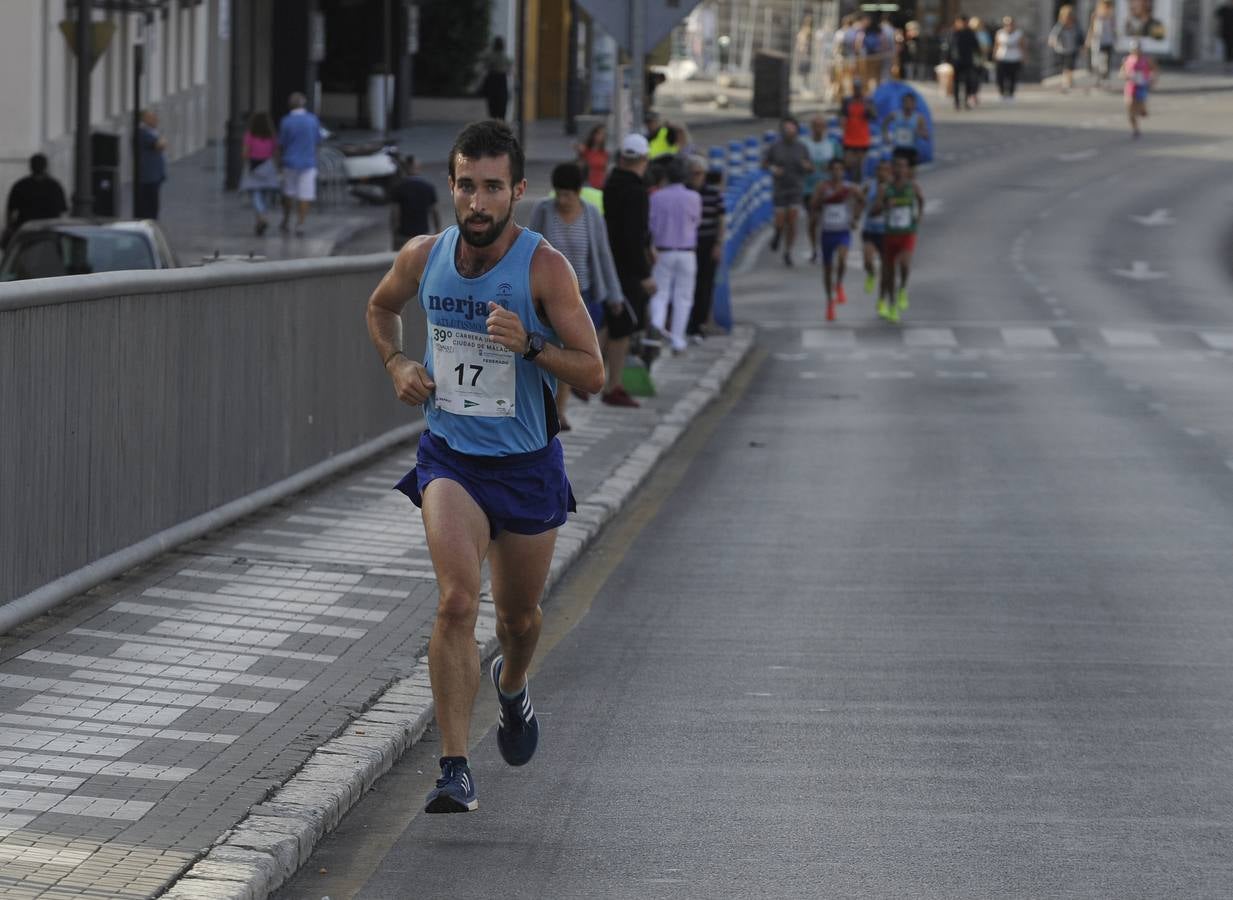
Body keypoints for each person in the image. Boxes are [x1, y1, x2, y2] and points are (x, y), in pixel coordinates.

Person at [365, 120, 604, 815]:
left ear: (517, 192)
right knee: (455, 602)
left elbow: (590, 371)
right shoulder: (423, 254)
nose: (477, 201)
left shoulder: (542, 268)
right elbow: (380, 307)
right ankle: (453, 766)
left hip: (526, 465)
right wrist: (397, 362)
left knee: (519, 620)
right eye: (466, 185)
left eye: (492, 188)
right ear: (452, 186)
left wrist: (530, 342)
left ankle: (512, 687)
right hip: (450, 458)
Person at [529, 162, 624, 429]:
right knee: (548, 353)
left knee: (572, 353)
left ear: (578, 192)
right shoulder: (544, 211)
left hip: (581, 295)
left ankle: (560, 413)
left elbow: (603, 255)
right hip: (546, 298)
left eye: (568, 194)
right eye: (558, 193)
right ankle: (549, 410)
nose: (562, 199)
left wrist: (614, 295)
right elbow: (529, 248)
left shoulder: (592, 215)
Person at [602, 134, 656, 407]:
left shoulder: (611, 184)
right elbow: (633, 236)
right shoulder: (636, 192)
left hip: (607, 263)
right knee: (621, 327)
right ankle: (613, 384)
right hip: (626, 269)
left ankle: (587, 378)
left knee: (607, 323)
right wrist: (645, 274)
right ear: (644, 160)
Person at [647, 156, 701, 354]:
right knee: (684, 297)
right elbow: (696, 221)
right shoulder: (694, 197)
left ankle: (656, 330)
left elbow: (650, 226)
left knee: (660, 294)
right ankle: (678, 340)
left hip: (662, 250)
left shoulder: (656, 197)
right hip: (687, 251)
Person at [810, 158, 863, 322]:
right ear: (829, 171)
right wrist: (821, 200)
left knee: (841, 260)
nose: (837, 172)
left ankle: (839, 284)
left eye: (840, 169)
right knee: (827, 270)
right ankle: (829, 302)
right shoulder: (822, 187)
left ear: (843, 171)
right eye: (834, 169)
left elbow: (862, 200)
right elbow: (813, 205)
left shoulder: (850, 188)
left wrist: (855, 217)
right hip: (827, 232)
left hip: (842, 231)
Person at [872, 154, 924, 322]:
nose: (900, 170)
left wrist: (919, 216)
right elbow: (874, 211)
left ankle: (903, 289)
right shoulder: (885, 188)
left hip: (907, 233)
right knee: (889, 273)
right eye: (897, 167)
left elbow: (921, 200)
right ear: (892, 169)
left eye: (904, 167)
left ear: (907, 169)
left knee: (904, 263)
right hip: (890, 235)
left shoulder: (913, 186)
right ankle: (893, 305)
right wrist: (886, 205)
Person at [763, 117, 812, 267]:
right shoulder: (775, 147)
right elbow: (765, 163)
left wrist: (806, 166)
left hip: (796, 188)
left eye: (792, 130)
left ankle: (788, 252)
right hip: (780, 188)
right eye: (787, 130)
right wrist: (773, 169)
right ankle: (777, 233)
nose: (790, 133)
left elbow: (811, 167)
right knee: (780, 219)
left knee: (792, 220)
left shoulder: (802, 147)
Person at [686, 156, 725, 341]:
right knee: (689, 285)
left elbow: (721, 219)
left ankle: (699, 324)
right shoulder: (685, 192)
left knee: (705, 285)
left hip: (708, 243)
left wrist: (718, 243)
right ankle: (689, 323)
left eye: (699, 173)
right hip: (689, 244)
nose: (696, 177)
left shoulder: (714, 193)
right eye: (693, 173)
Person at [277, 92, 323, 236]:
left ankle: (286, 219)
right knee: (305, 194)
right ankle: (300, 223)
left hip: (290, 161)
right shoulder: (312, 120)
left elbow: (281, 143)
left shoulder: (286, 121)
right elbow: (318, 139)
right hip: (308, 162)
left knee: (288, 192)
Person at [801, 114, 841, 263]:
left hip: (828, 188)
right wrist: (804, 165)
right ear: (811, 128)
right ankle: (814, 249)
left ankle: (830, 247)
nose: (818, 129)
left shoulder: (832, 144)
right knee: (813, 220)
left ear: (825, 128)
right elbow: (799, 161)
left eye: (821, 126)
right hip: (808, 189)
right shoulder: (804, 144)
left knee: (827, 220)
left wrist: (832, 171)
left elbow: (840, 164)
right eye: (815, 126)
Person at [3, 154, 67, 247]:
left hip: (27, 233)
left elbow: (10, 211)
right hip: (49, 233)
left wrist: (10, 228)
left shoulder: (20, 185)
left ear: (31, 166)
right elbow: (62, 212)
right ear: (45, 166)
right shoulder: (55, 186)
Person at [239, 111, 280, 236]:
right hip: (267, 166)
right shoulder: (272, 136)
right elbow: (276, 152)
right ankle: (261, 220)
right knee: (266, 196)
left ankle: (261, 218)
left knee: (255, 195)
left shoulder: (249, 135)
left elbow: (245, 153)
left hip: (254, 166)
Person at [388, 154, 441, 251]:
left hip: (403, 236)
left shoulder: (398, 188)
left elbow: (395, 214)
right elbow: (435, 212)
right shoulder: (428, 188)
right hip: (423, 236)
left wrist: (395, 233)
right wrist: (438, 231)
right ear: (417, 167)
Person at [860, 157, 892, 309]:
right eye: (879, 170)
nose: (882, 173)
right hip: (870, 230)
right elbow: (859, 200)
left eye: (885, 170)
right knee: (867, 260)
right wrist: (855, 214)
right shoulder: (869, 185)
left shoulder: (892, 188)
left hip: (886, 233)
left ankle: (881, 300)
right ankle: (871, 274)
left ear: (890, 172)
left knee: (886, 270)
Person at [840, 79, 875, 189]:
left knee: (860, 166)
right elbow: (842, 116)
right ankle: (850, 185)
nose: (857, 90)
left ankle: (858, 187)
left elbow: (874, 116)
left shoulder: (867, 101)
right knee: (848, 164)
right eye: (855, 88)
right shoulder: (847, 101)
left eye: (859, 88)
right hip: (849, 138)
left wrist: (869, 109)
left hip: (862, 139)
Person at [1120, 40, 1158, 138]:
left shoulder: (1146, 60)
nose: (1136, 51)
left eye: (1138, 49)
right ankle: (1135, 129)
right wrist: (1125, 76)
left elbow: (1154, 70)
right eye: (1134, 50)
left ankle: (1143, 110)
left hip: (1142, 86)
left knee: (1141, 111)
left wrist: (1152, 80)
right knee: (1130, 108)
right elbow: (1121, 73)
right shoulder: (1127, 59)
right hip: (1130, 86)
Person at [135, 108, 168, 219]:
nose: (155, 120)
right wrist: (161, 140)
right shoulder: (143, 132)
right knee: (149, 203)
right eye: (151, 117)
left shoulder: (151, 132)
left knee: (153, 203)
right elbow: (160, 144)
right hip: (148, 176)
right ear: (145, 119)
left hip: (154, 175)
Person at [883, 92, 929, 167]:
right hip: (899, 148)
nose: (908, 104)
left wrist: (920, 133)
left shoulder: (919, 118)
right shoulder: (895, 115)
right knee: (898, 172)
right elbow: (885, 123)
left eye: (910, 102)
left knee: (910, 175)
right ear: (902, 103)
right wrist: (886, 135)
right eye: (906, 102)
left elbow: (926, 135)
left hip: (911, 149)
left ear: (914, 104)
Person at [946, 16, 981, 110]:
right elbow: (949, 47)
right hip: (956, 61)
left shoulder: (970, 33)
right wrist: (947, 60)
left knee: (968, 82)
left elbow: (976, 47)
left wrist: (978, 58)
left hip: (967, 61)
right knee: (956, 82)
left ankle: (966, 101)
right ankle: (956, 102)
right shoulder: (954, 33)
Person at [1048, 6, 1083, 93]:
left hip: (1072, 49)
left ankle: (1068, 82)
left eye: (1069, 17)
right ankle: (1066, 82)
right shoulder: (1059, 26)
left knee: (1070, 67)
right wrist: (1053, 42)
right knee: (1064, 67)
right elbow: (1053, 36)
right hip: (1061, 50)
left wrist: (1082, 46)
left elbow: (1080, 36)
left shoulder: (1075, 26)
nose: (1067, 19)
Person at [1085, 0, 1118, 90]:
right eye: (1105, 6)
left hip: (1108, 42)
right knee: (1096, 62)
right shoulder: (1095, 15)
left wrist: (1116, 40)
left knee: (1106, 63)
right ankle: (1097, 80)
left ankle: (1105, 81)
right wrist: (1088, 41)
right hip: (1097, 43)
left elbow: (1114, 30)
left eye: (1108, 6)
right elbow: (1091, 28)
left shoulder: (1111, 17)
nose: (1106, 8)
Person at [993, 17, 1027, 100]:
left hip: (1014, 58)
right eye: (1006, 24)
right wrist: (994, 55)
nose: (1009, 26)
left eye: (1010, 24)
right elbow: (996, 45)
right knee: (1000, 77)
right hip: (1002, 57)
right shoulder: (1000, 33)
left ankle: (1011, 93)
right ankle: (1002, 92)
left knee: (1013, 77)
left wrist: (1024, 56)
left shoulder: (1018, 33)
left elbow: (1022, 46)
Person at [480, 37, 512, 120]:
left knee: (494, 104)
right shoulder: (505, 57)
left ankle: (495, 120)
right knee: (501, 104)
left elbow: (485, 65)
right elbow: (509, 69)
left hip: (494, 79)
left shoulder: (491, 55)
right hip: (500, 79)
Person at [576, 124, 609, 190]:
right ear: (594, 134)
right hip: (588, 185)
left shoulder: (604, 153)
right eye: (599, 133)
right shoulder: (585, 150)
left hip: (601, 185)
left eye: (604, 134)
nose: (602, 136)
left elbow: (605, 170)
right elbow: (580, 167)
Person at [968, 17, 991, 105]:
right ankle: (970, 94)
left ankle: (975, 94)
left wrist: (983, 49)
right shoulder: (970, 34)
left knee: (978, 78)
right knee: (971, 78)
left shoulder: (984, 34)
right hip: (971, 59)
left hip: (980, 59)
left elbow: (988, 46)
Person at [1218, 1, 1233, 70]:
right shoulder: (1224, 9)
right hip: (1226, 32)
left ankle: (1229, 61)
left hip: (1228, 32)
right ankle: (1228, 62)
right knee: (1227, 47)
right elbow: (1217, 13)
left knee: (1229, 47)